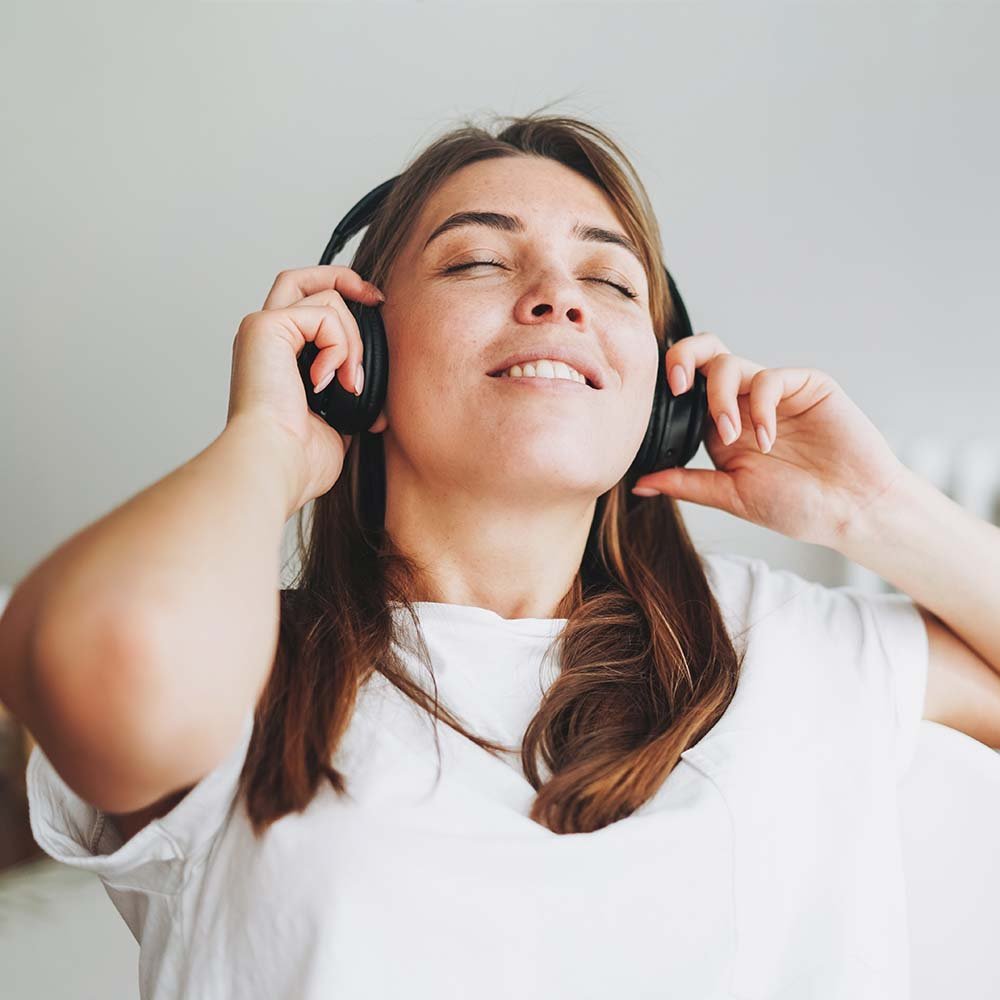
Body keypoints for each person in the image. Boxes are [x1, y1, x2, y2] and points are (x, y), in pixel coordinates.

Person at [0, 110, 975, 999]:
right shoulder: (252, 667)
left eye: (608, 278)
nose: (557, 297)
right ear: (359, 359)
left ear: (663, 402)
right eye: (476, 263)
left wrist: (876, 509)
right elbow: (99, 661)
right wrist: (268, 439)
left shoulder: (787, 644)